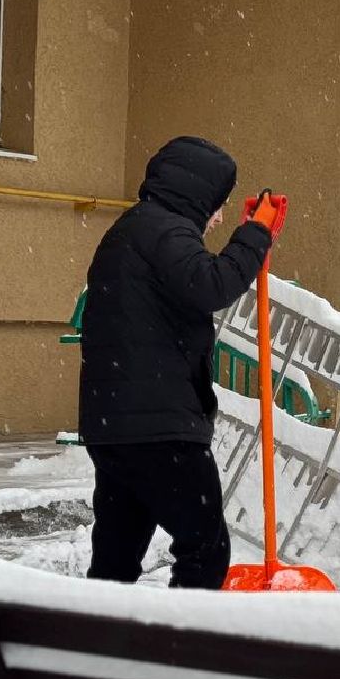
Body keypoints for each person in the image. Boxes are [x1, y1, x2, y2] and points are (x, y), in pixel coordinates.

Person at [80, 136, 280, 588]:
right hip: (160, 429)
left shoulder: (129, 231)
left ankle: (101, 646)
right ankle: (182, 647)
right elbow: (212, 284)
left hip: (113, 426)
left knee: (115, 561)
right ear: (197, 195)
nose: (220, 215)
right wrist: (256, 233)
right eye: (219, 203)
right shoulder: (165, 231)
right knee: (204, 549)